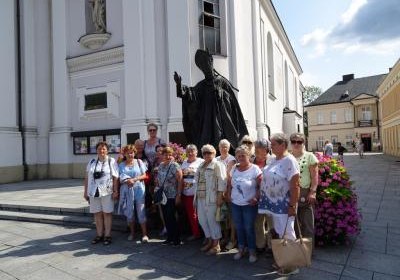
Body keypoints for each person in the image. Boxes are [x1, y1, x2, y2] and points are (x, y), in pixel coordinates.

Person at [174, 49, 248, 150]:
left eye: (206, 63)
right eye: (202, 66)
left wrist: (222, 93)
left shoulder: (222, 82)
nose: (205, 67)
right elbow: (190, 94)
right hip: (207, 122)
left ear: (211, 62)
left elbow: (233, 104)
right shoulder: (201, 85)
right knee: (206, 143)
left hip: (222, 121)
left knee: (226, 142)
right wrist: (179, 85)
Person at [258, 133, 300, 276]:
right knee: (280, 232)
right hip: (273, 205)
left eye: (273, 144)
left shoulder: (290, 161)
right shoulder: (274, 159)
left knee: (287, 233)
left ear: (283, 145)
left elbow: (295, 186)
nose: (271, 146)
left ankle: (292, 265)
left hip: (284, 205)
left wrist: (292, 206)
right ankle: (283, 260)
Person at [226, 145, 262, 263]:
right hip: (235, 203)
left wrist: (256, 198)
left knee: (248, 227)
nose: (241, 157)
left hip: (249, 204)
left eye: (243, 155)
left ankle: (252, 250)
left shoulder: (255, 169)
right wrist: (229, 194)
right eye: (239, 155)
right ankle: (241, 248)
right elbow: (230, 183)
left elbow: (261, 186)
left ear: (249, 156)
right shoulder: (234, 168)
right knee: (239, 227)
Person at [83, 141, 119, 246]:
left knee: (107, 213)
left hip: (107, 191)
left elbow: (115, 177)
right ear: (96, 150)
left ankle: (107, 235)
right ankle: (99, 235)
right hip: (93, 191)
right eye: (99, 149)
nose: (101, 150)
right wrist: (85, 192)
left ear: (107, 150)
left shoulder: (111, 161)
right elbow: (86, 178)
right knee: (97, 213)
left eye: (103, 149)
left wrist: (116, 191)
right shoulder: (92, 162)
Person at [194, 144, 227, 255]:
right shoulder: (201, 165)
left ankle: (216, 245)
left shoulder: (218, 164)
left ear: (214, 153)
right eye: (205, 153)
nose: (207, 155)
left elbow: (222, 181)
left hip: (211, 198)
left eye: (209, 152)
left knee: (212, 221)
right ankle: (209, 240)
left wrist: (220, 196)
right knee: (202, 220)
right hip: (200, 197)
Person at [117, 145, 149, 243]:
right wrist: (127, 181)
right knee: (130, 212)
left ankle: (144, 234)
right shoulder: (121, 165)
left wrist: (134, 179)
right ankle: (132, 233)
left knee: (141, 211)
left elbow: (144, 175)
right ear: (125, 154)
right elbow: (120, 178)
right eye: (128, 152)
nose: (130, 154)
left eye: (132, 152)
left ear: (134, 153)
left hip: (139, 189)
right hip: (127, 191)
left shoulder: (139, 162)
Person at [290, 133, 318, 241]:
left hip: (305, 192)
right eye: (293, 141)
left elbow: (315, 177)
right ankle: (297, 250)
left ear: (303, 143)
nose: (296, 144)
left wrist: (313, 192)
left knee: (307, 224)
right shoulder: (288, 157)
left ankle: (308, 252)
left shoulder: (309, 156)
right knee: (293, 224)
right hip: (291, 193)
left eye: (299, 142)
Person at [156, 147, 183, 246]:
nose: (167, 156)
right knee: (166, 217)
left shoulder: (175, 165)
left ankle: (176, 239)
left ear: (173, 155)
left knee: (171, 217)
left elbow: (180, 180)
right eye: (165, 154)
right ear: (162, 155)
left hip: (173, 195)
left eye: (169, 154)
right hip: (164, 196)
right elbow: (158, 180)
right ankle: (169, 237)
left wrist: (178, 195)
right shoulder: (161, 166)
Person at [252, 139, 274, 253]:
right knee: (257, 221)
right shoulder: (252, 160)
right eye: (256, 148)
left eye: (259, 148)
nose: (256, 150)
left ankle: (271, 246)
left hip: (270, 197)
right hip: (255, 196)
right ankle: (260, 244)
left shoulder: (273, 160)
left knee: (271, 222)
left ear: (266, 150)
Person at [216, 139, 236, 251]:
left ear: (228, 148)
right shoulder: (217, 159)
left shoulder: (231, 159)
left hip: (228, 191)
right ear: (218, 148)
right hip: (219, 191)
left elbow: (228, 177)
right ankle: (225, 237)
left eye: (225, 146)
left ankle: (232, 239)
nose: (223, 148)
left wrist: (225, 192)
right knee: (222, 215)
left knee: (231, 216)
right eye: (221, 146)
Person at [181, 144, 204, 241]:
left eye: (192, 151)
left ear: (196, 152)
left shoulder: (201, 162)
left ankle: (206, 235)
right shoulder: (184, 162)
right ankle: (196, 233)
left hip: (198, 193)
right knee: (192, 215)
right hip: (186, 193)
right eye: (188, 151)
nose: (190, 153)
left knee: (202, 215)